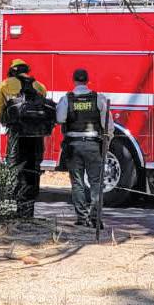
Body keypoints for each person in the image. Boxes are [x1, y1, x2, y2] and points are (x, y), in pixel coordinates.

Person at [56, 68, 114, 228]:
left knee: (77, 182)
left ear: (74, 80)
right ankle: (95, 218)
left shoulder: (67, 99)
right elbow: (108, 125)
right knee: (96, 182)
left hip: (73, 145)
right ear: (87, 81)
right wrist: (107, 143)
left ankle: (82, 218)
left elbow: (60, 118)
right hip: (93, 145)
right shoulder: (99, 98)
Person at [0, 59, 48, 218]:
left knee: (17, 170)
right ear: (27, 71)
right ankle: (29, 210)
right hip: (36, 137)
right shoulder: (40, 86)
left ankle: (20, 209)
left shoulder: (5, 85)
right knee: (33, 171)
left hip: (17, 136)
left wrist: (6, 122)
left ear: (12, 71)